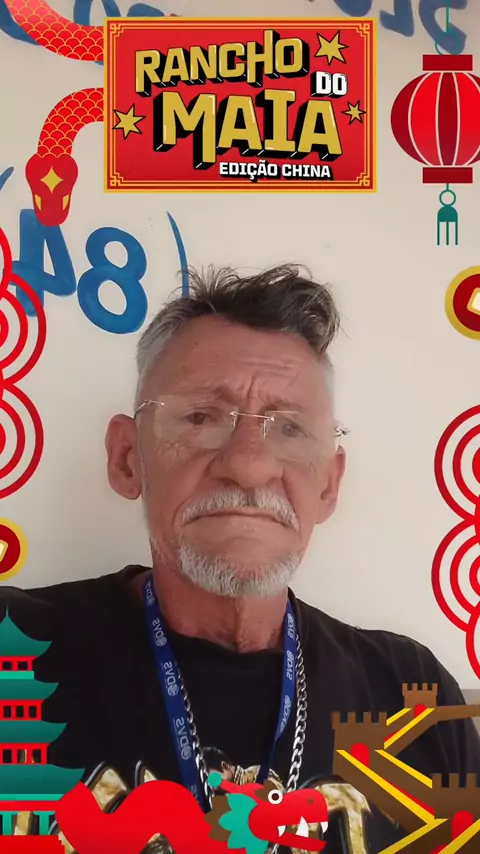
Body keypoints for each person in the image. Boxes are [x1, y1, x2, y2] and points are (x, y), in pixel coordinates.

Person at [2, 264, 480, 854]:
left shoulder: (411, 694)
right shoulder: (11, 646)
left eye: (289, 429)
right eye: (202, 418)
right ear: (128, 458)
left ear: (329, 485)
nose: (249, 466)